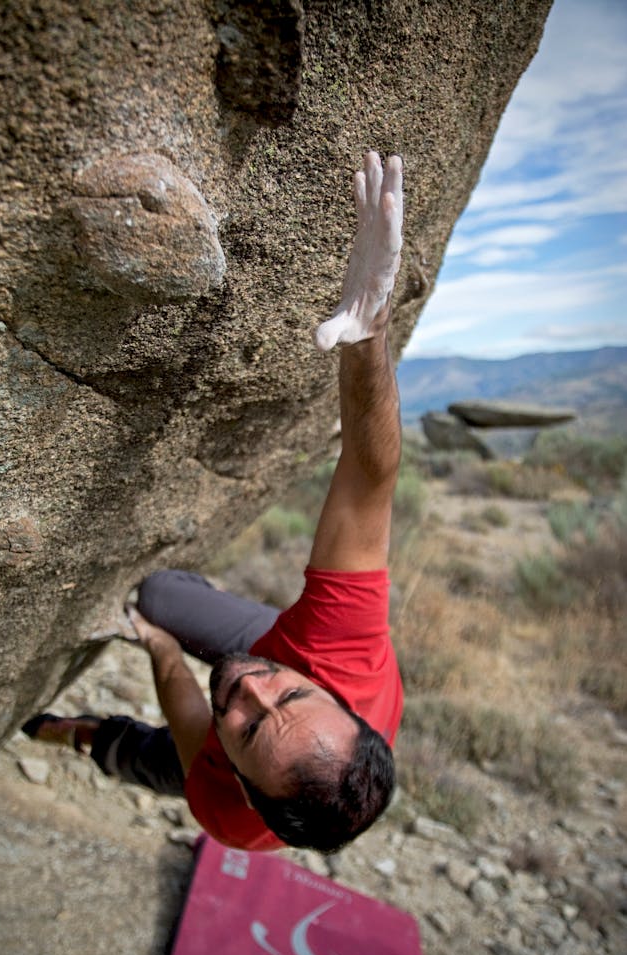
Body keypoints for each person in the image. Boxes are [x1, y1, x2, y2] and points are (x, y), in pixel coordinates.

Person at [24, 151, 405, 854]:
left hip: (206, 762)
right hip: (301, 652)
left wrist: (164, 654)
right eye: (291, 696)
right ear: (333, 698)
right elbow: (367, 477)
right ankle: (178, 659)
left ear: (247, 784)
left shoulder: (228, 812)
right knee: (162, 593)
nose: (253, 689)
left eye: (253, 728)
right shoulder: (340, 655)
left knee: (150, 754)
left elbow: (196, 713)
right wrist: (369, 336)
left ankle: (81, 736)